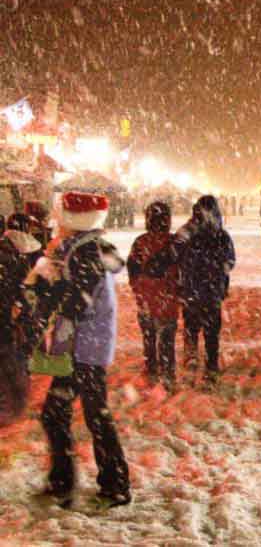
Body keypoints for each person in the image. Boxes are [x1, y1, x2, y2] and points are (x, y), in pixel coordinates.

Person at [30, 192, 131, 509]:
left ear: (76, 218)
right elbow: (68, 292)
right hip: (85, 344)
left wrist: (48, 316)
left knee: (78, 413)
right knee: (76, 413)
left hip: (85, 346)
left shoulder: (86, 252)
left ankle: (105, 482)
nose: (58, 218)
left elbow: (76, 299)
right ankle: (89, 481)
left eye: (63, 213)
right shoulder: (83, 248)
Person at [175, 195, 236, 385]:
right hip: (212, 291)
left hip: (191, 289)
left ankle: (191, 356)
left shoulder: (187, 232)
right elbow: (230, 262)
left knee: (191, 327)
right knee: (211, 332)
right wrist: (217, 271)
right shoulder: (222, 235)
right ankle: (211, 367)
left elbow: (174, 253)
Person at [127, 202, 180, 391]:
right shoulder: (174, 243)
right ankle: (167, 373)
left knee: (148, 337)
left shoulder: (140, 242)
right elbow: (182, 271)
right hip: (168, 298)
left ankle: (151, 369)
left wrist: (138, 289)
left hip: (147, 298)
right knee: (167, 339)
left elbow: (132, 269)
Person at [0, 214, 42, 427]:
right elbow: (26, 290)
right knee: (12, 361)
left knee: (10, 361)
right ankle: (14, 406)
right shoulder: (13, 255)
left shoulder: (10, 256)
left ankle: (12, 407)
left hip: (8, 319)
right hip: (10, 319)